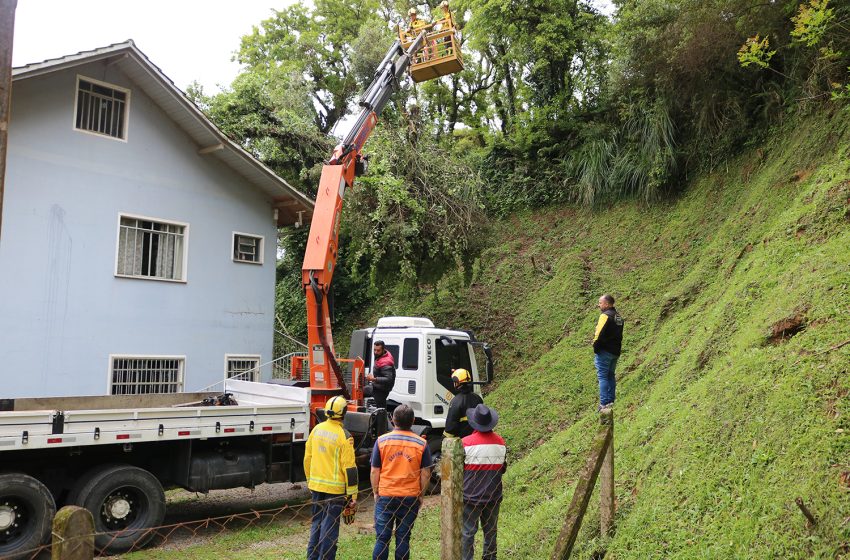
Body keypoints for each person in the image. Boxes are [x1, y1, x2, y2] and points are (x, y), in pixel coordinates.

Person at [370, 404, 432, 560]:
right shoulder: (421, 444)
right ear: (413, 421)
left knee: (382, 538)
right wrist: (421, 494)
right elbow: (426, 473)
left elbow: (374, 470)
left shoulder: (381, 441)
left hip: (386, 494)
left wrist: (375, 492)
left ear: (392, 420)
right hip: (410, 497)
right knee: (403, 537)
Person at [304, 396, 358, 560]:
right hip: (335, 491)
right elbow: (349, 468)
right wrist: (352, 496)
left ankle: (312, 557)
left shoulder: (316, 430)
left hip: (316, 487)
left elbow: (307, 458)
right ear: (344, 413)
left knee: (317, 524)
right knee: (329, 529)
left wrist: (310, 482)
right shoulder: (344, 436)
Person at [461, 404, 507, 560]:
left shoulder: (465, 443)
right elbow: (503, 468)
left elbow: (458, 469)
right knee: (491, 532)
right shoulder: (500, 443)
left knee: (467, 533)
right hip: (493, 496)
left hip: (470, 497)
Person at [593, 293, 624, 411]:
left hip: (604, 351)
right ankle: (610, 400)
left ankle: (604, 403)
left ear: (606, 304)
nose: (599, 305)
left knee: (602, 376)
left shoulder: (605, 316)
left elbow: (599, 333)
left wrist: (596, 347)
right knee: (610, 375)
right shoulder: (619, 317)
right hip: (615, 351)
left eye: (600, 303)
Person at [444, 368, 483, 439]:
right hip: (478, 439)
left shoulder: (456, 401)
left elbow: (451, 427)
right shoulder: (478, 398)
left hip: (464, 441)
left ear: (457, 382)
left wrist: (443, 438)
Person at [366, 341, 396, 409]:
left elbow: (388, 379)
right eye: (374, 350)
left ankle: (382, 418)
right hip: (377, 386)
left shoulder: (386, 362)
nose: (375, 352)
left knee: (381, 410)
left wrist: (373, 379)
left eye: (378, 350)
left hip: (382, 390)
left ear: (383, 350)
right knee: (361, 391)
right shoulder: (382, 354)